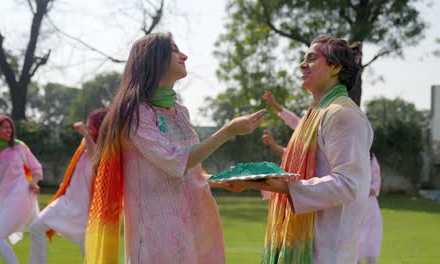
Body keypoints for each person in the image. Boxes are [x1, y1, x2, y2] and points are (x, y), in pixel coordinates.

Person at [84, 32, 266, 264]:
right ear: (154, 59)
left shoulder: (180, 111)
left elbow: (189, 170)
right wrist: (227, 131)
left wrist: (219, 180)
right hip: (156, 235)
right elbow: (174, 162)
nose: (185, 56)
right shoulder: (136, 113)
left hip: (196, 226)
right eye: (174, 50)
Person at [231, 35, 373, 263]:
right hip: (303, 242)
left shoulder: (343, 114)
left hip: (327, 251)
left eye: (311, 58)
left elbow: (349, 185)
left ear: (335, 67)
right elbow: (300, 172)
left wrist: (284, 186)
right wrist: (253, 181)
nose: (301, 64)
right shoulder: (316, 115)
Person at [29, 108, 108, 264]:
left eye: (90, 126)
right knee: (36, 227)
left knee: (91, 255)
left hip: (87, 213)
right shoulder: (84, 144)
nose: (87, 128)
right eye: (87, 125)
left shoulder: (107, 150)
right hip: (66, 202)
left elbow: (96, 161)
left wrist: (86, 135)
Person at [0, 115, 42, 264]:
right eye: (5, 127)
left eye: (10, 127)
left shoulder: (18, 147)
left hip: (21, 196)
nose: (9, 130)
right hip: (0, 201)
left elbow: (36, 168)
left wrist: (34, 182)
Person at [358, 153, 383, 264]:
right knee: (354, 253)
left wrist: (360, 192)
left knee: (372, 252)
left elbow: (375, 185)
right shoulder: (351, 154)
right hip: (353, 211)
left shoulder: (372, 159)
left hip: (371, 212)